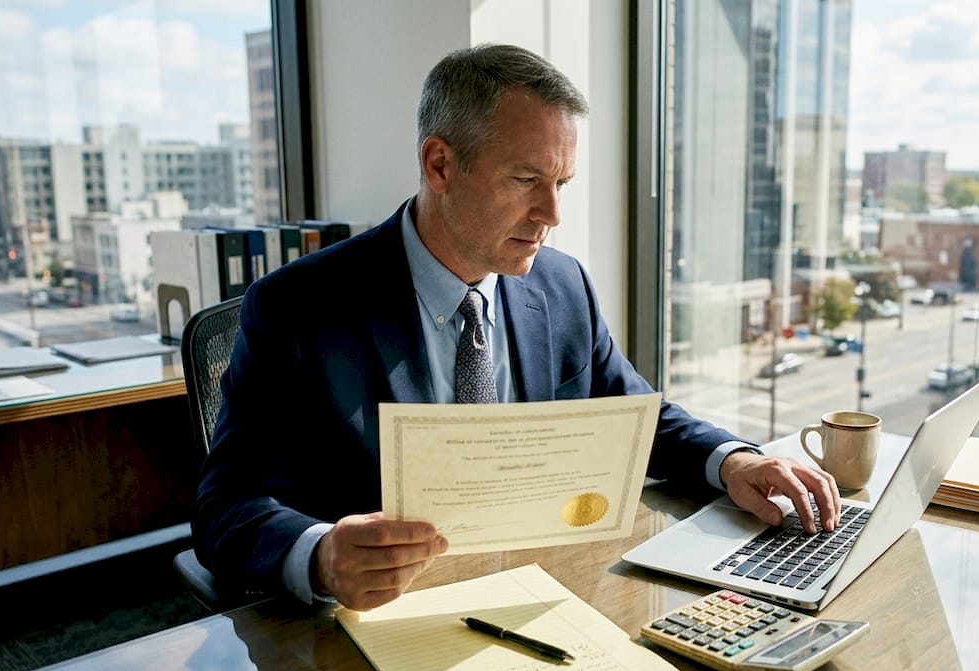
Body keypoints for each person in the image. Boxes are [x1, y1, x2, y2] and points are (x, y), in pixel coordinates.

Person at [193, 44, 841, 612]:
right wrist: (321, 556)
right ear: (440, 165)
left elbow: (636, 414)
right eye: (527, 179)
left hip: (541, 594)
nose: (552, 213)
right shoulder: (298, 308)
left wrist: (733, 461)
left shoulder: (562, 286)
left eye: (561, 182)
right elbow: (225, 508)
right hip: (382, 624)